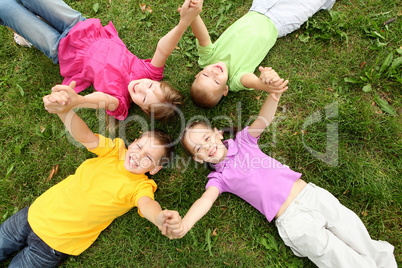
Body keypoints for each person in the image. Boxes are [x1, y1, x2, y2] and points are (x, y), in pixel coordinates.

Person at [169, 69, 397, 267]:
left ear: (218, 133)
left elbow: (263, 119)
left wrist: (274, 94)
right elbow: (205, 201)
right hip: (292, 220)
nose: (207, 147)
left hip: (311, 196)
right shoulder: (219, 178)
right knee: (335, 256)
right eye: (199, 148)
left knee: (354, 231)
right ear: (198, 160)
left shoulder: (244, 141)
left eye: (207, 138)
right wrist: (186, 223)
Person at [0, 81, 181, 267]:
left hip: (55, 243)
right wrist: (64, 112)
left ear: (155, 169)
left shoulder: (141, 186)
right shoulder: (114, 150)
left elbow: (147, 205)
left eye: (148, 158)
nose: (138, 155)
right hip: (32, 215)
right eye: (140, 146)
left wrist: (159, 218)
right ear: (133, 142)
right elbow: (86, 136)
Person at [0, 0, 203, 121]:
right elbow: (163, 49)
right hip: (80, 26)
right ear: (156, 80)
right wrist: (184, 22)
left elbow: (103, 101)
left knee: (5, 7)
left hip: (61, 49)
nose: (141, 87)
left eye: (143, 98)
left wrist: (80, 100)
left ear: (142, 109)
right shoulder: (149, 72)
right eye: (150, 86)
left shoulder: (121, 101)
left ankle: (29, 38)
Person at [187, 0, 336, 108]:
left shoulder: (207, 59)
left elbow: (202, 37)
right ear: (225, 89)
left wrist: (194, 15)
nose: (214, 72)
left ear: (198, 73)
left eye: (206, 75)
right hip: (280, 21)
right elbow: (254, 82)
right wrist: (265, 83)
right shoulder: (235, 79)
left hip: (259, 7)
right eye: (216, 82)